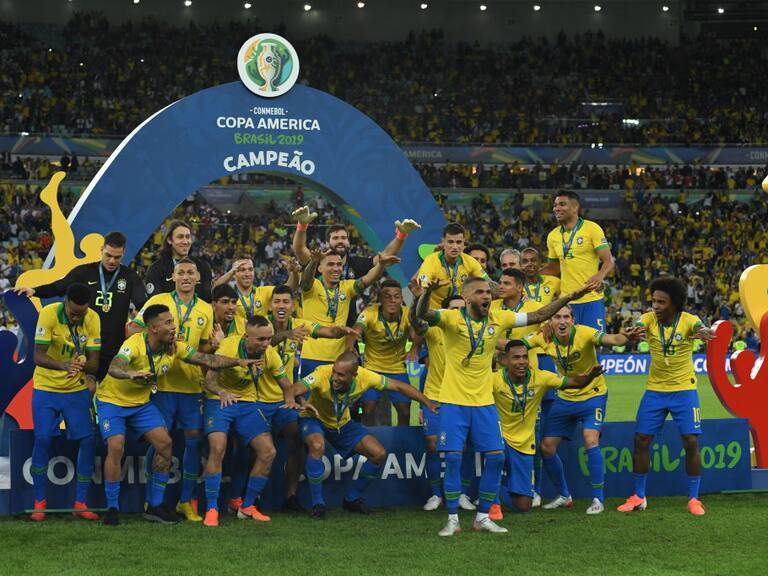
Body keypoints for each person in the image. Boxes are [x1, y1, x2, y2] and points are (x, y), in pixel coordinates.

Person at [415, 276, 589, 536]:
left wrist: (567, 298)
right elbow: (423, 314)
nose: (487, 296)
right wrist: (426, 293)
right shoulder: (452, 319)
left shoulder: (499, 319)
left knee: (496, 458)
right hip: (453, 402)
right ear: (467, 297)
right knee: (452, 459)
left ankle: (483, 517)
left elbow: (539, 314)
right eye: (480, 292)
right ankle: (452, 519)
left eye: (488, 292)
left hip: (484, 403)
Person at [96, 304, 258, 526]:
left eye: (173, 321)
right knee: (116, 446)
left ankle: (155, 505)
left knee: (164, 444)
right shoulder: (134, 344)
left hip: (140, 404)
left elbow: (206, 359)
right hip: (112, 401)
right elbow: (115, 366)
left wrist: (238, 361)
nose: (174, 327)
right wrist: (129, 373)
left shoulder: (175, 347)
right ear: (152, 328)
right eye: (168, 323)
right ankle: (112, 508)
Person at [285, 351, 437, 518]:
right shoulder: (321, 374)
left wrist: (427, 402)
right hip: (313, 418)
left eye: (341, 375)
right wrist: (298, 401)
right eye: (335, 371)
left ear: (354, 375)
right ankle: (318, 505)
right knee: (317, 445)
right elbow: (294, 388)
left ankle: (352, 498)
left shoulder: (366, 377)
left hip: (342, 424)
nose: (335, 377)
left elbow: (400, 386)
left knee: (378, 453)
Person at [524, 305, 640, 514]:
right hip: (565, 397)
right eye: (557, 317)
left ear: (573, 320)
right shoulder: (543, 338)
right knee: (547, 447)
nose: (562, 321)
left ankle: (598, 499)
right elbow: (518, 345)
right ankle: (564, 495)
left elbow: (613, 340)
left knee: (590, 439)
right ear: (550, 322)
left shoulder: (585, 333)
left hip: (593, 395)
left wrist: (625, 337)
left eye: (566, 317)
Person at [617, 277, 714, 516]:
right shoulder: (649, 319)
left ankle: (694, 499)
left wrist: (703, 332)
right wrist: (632, 331)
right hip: (656, 390)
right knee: (641, 440)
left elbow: (698, 328)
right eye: (654, 301)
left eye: (662, 302)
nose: (656, 306)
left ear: (675, 304)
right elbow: (639, 323)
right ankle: (639, 496)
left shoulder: (689, 321)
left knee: (691, 441)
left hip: (684, 390)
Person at [127, 258, 214, 521]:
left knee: (194, 441)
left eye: (191, 272)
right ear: (173, 277)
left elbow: (204, 350)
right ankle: (153, 502)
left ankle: (186, 502)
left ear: (198, 278)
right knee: (160, 441)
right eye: (181, 273)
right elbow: (132, 329)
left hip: (190, 385)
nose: (186, 277)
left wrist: (212, 346)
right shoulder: (159, 302)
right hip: (162, 385)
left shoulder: (206, 309)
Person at [201, 315, 302, 527]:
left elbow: (286, 384)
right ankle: (212, 508)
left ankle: (247, 507)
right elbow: (209, 380)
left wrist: (294, 400)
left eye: (268, 339)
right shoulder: (227, 347)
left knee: (268, 452)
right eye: (261, 340)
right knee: (218, 447)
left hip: (247, 404)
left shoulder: (270, 354)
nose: (266, 344)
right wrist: (222, 392)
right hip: (219, 400)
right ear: (247, 337)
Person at [490, 340, 604, 518]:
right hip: (499, 438)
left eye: (524, 357)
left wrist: (590, 376)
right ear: (504, 360)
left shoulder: (540, 377)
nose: (521, 362)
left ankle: (491, 490)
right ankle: (492, 503)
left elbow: (574, 382)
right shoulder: (493, 380)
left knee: (524, 506)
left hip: (523, 444)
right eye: (516, 358)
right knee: (494, 457)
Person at [15, 231, 146, 380]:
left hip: (114, 347)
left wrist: (139, 322)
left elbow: (143, 303)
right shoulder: (84, 272)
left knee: (109, 395)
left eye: (117, 257)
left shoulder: (130, 276)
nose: (111, 261)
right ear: (101, 249)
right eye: (108, 255)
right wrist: (34, 290)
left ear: (124, 253)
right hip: (85, 348)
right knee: (85, 393)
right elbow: (59, 286)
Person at [29, 283, 101, 521]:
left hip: (75, 388)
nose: (77, 318)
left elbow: (94, 362)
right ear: (65, 302)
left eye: (81, 313)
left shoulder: (92, 318)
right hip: (46, 387)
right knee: (43, 438)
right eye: (73, 313)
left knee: (88, 441)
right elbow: (38, 356)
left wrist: (81, 366)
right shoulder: (49, 314)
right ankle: (39, 501)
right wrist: (64, 365)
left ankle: (80, 502)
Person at [291, 207, 420, 324]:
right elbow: (299, 249)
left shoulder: (357, 264)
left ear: (348, 242)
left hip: (347, 330)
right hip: (317, 329)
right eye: (335, 238)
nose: (340, 241)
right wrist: (302, 225)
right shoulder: (317, 261)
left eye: (343, 238)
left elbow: (384, 257)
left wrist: (401, 236)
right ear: (327, 242)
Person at [415, 292, 477, 513]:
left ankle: (462, 494)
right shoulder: (434, 330)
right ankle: (435, 494)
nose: (458, 312)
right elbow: (418, 324)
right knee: (432, 444)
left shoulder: (474, 330)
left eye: (462, 308)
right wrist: (419, 298)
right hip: (435, 396)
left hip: (463, 396)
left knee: (464, 445)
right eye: (454, 308)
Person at [298, 248, 399, 376]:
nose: (336, 268)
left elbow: (368, 279)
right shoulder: (312, 287)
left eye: (339, 264)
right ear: (320, 269)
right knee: (309, 396)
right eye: (330, 264)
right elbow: (305, 282)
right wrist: (313, 261)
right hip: (312, 357)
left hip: (339, 360)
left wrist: (381, 264)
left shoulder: (347, 287)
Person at [541, 191, 614, 330]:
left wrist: (599, 276)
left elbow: (608, 261)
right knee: (568, 345)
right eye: (555, 205)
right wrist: (528, 275)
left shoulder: (592, 228)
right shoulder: (553, 236)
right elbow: (554, 268)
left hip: (591, 300)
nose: (557, 208)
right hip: (566, 301)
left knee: (593, 343)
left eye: (562, 204)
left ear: (575, 207)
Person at [349, 279, 414, 426]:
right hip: (372, 368)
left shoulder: (408, 314)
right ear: (380, 299)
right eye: (387, 296)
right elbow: (355, 330)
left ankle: (401, 444)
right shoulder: (369, 312)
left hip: (397, 368)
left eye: (397, 296)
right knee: (368, 409)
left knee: (405, 410)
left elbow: (417, 333)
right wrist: (350, 347)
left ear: (402, 299)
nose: (392, 300)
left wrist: (415, 348)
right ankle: (369, 439)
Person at [416, 222, 488, 309]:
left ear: (463, 243)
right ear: (443, 242)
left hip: (459, 312)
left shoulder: (470, 261)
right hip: (434, 313)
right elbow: (421, 288)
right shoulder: (431, 261)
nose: (455, 247)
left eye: (458, 242)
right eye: (450, 242)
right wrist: (428, 289)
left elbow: (488, 282)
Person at [145, 220, 213, 302]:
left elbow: (208, 298)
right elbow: (156, 303)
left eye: (188, 237)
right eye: (180, 237)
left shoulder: (203, 266)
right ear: (169, 240)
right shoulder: (156, 269)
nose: (185, 241)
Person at [212, 256, 298, 320]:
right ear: (234, 274)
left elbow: (289, 289)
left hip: (260, 340)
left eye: (250, 269)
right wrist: (231, 272)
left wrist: (294, 272)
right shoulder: (228, 295)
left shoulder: (264, 292)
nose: (247, 274)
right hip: (236, 341)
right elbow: (215, 290)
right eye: (242, 270)